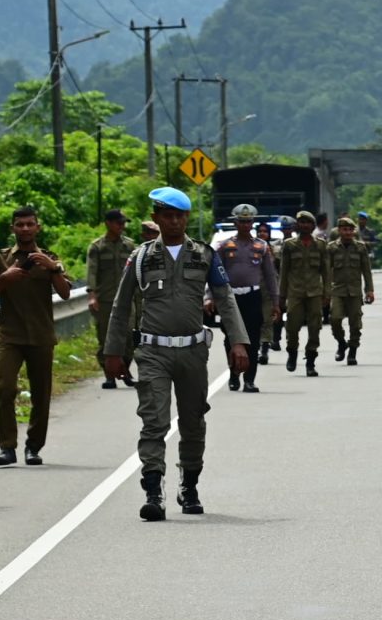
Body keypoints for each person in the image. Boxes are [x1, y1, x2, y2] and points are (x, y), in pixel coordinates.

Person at [102, 186, 247, 521]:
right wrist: (113, 352)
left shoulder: (205, 255)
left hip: (193, 351)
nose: (174, 221)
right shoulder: (140, 258)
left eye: (180, 215)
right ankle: (154, 491)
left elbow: (224, 299)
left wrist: (238, 342)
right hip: (152, 351)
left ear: (187, 218)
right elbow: (121, 306)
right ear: (156, 218)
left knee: (193, 422)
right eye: (167, 215)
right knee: (154, 421)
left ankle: (189, 485)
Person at [0, 205, 74, 467]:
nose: (25, 228)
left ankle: (34, 447)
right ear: (12, 228)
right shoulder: (0, 258)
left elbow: (66, 293)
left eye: (29, 224)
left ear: (37, 227)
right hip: (10, 335)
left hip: (41, 336)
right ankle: (7, 448)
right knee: (5, 388)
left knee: (41, 394)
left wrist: (53, 268)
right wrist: (6, 277)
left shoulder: (49, 257)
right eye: (20, 224)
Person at [214, 202, 278, 393]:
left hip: (253, 297)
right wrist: (210, 298)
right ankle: (234, 373)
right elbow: (215, 274)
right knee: (230, 338)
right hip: (231, 299)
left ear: (252, 224)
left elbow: (270, 275)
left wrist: (276, 302)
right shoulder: (224, 246)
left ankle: (250, 380)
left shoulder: (261, 246)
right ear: (235, 223)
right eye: (241, 221)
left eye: (248, 221)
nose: (245, 225)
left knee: (253, 339)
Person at [277, 211, 334, 375]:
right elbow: (284, 271)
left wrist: (327, 293)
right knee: (292, 326)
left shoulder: (321, 245)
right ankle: (292, 352)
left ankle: (310, 361)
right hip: (295, 292)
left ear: (313, 225)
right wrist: (281, 296)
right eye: (301, 222)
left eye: (308, 223)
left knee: (315, 327)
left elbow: (326, 271)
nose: (305, 225)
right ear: (297, 225)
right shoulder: (289, 245)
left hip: (315, 293)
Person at [84, 209, 134, 390]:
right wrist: (92, 296)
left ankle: (125, 370)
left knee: (129, 336)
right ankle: (110, 376)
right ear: (108, 223)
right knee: (106, 339)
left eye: (123, 223)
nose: (122, 226)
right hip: (105, 300)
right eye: (118, 223)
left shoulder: (130, 246)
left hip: (127, 299)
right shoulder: (97, 247)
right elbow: (91, 272)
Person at [326, 215, 377, 364]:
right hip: (337, 290)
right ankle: (341, 343)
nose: (347, 233)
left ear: (353, 231)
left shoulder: (360, 248)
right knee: (335, 319)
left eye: (350, 230)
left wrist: (370, 290)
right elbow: (326, 270)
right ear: (339, 231)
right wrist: (325, 291)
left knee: (355, 323)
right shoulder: (332, 248)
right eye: (344, 230)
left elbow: (366, 271)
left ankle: (352, 351)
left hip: (354, 291)